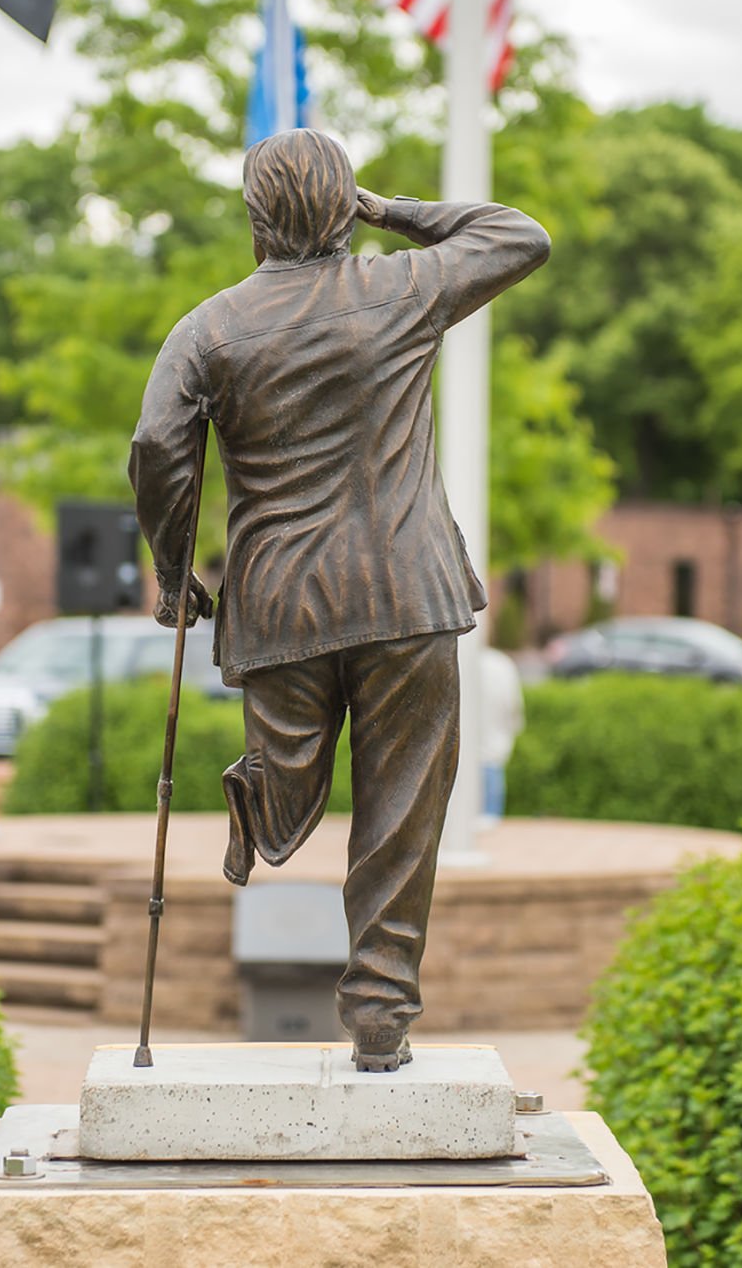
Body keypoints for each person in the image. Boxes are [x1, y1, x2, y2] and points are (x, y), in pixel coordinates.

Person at [129, 129, 549, 1071]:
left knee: (293, 777)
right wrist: (393, 210)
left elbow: (158, 448)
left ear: (253, 219)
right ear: (344, 205)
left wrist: (172, 576)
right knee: (402, 804)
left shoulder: (210, 327)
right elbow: (516, 234)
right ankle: (378, 1005)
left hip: (281, 603)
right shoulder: (403, 288)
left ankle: (270, 805)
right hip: (408, 595)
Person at [479, 646, 525, 824]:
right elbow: (513, 707)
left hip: (464, 757)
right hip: (493, 753)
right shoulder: (501, 664)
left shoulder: (463, 660)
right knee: (490, 823)